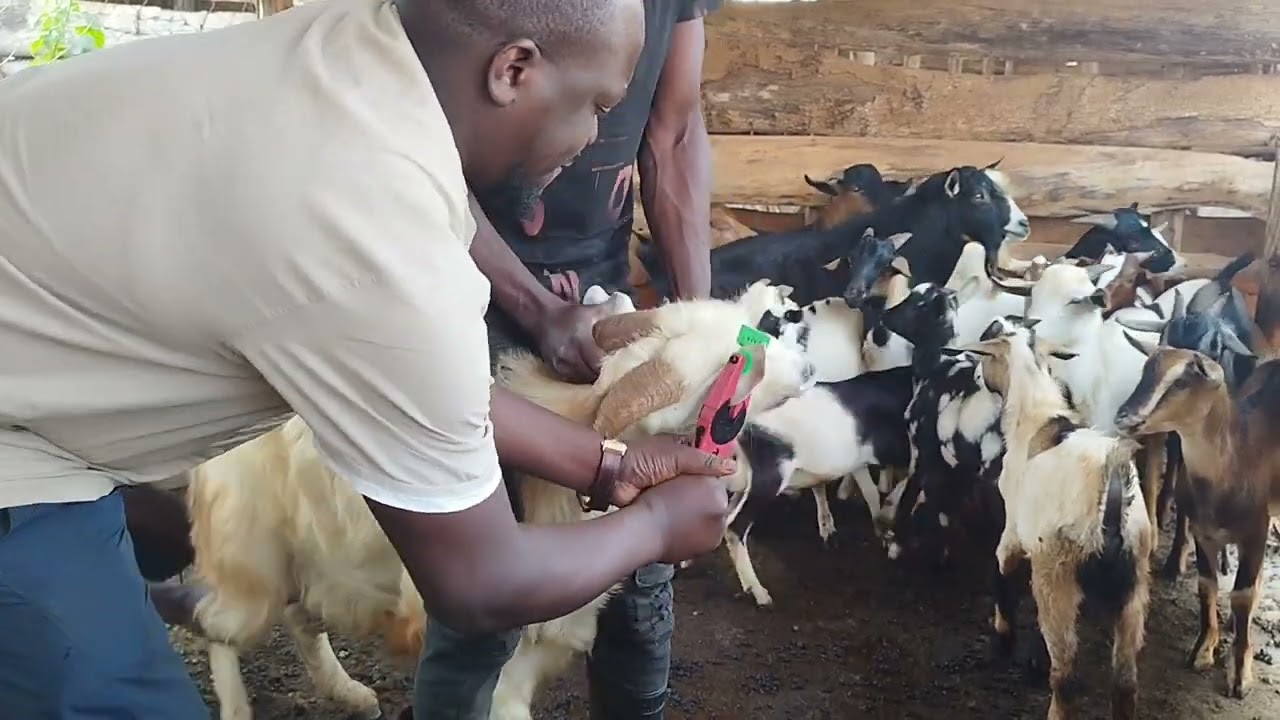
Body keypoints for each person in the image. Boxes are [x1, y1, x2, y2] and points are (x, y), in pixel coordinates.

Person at [0, 0, 736, 716]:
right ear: (514, 69)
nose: (595, 138)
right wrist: (656, 530)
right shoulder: (375, 228)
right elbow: (479, 584)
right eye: (597, 106)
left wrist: (606, 466)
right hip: (20, 449)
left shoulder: (361, 63)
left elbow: (420, 383)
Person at [410, 3, 723, 719]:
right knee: (480, 587)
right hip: (462, 297)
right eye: (594, 109)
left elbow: (672, 132)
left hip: (603, 303)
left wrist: (697, 329)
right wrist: (533, 307)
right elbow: (416, 157)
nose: (592, 137)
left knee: (640, 590)